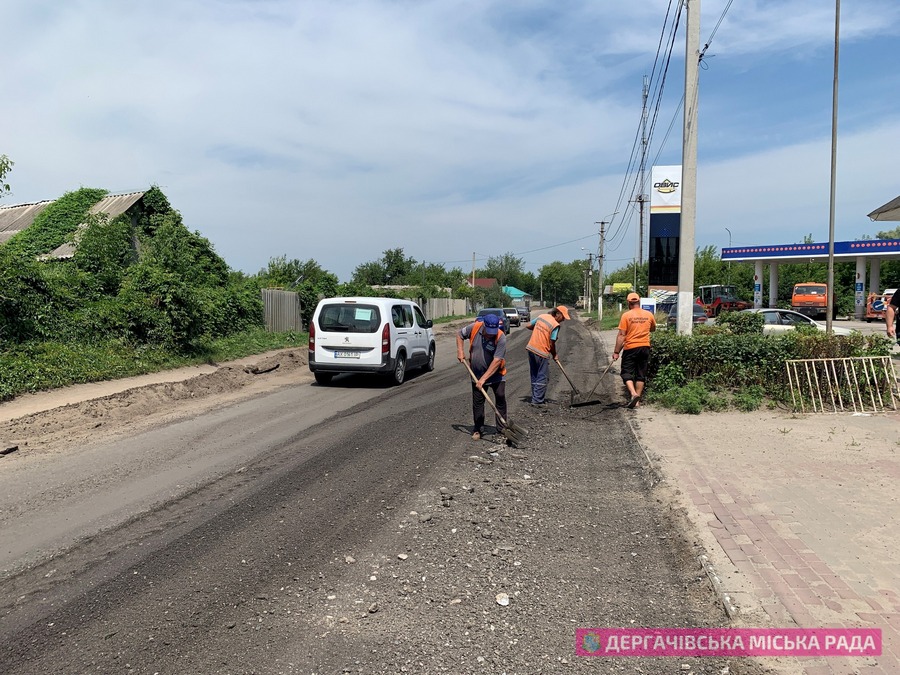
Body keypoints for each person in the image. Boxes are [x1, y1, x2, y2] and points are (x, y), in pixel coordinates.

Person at [456, 312, 508, 441]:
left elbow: (496, 361)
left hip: (496, 374)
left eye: (493, 331)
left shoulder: (501, 337)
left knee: (500, 397)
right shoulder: (474, 327)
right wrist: (460, 351)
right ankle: (478, 428)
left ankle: (502, 428)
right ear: (483, 325)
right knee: (478, 402)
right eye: (489, 331)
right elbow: (459, 334)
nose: (491, 334)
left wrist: (484, 379)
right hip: (476, 374)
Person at [612, 292, 656, 408]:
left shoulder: (626, 316)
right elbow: (653, 329)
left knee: (626, 373)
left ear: (628, 303)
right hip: (645, 347)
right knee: (641, 374)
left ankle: (633, 394)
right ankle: (637, 401)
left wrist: (616, 352)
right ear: (639, 302)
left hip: (631, 348)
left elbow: (622, 336)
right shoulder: (649, 314)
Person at [524, 305, 570, 405]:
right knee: (542, 375)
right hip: (541, 352)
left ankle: (535, 397)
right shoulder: (555, 325)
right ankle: (537, 401)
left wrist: (540, 330)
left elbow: (528, 325)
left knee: (535, 374)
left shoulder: (542, 316)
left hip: (531, 349)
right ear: (558, 314)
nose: (563, 320)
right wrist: (554, 354)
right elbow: (551, 343)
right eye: (563, 317)